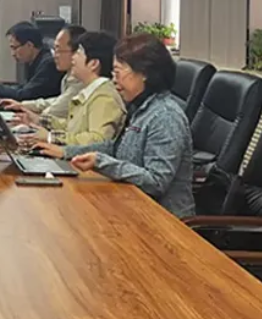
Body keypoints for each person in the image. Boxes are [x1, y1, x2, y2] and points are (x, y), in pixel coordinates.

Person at [33, 33, 194, 218]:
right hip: (131, 205)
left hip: (163, 219)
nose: (114, 80)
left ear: (144, 74)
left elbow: (156, 181)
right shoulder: (140, 108)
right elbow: (116, 148)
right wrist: (66, 152)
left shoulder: (165, 116)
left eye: (118, 72)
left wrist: (101, 162)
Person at [21, 31, 126, 146]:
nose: (73, 57)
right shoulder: (90, 91)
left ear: (93, 64)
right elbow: (72, 126)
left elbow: (97, 140)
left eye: (78, 53)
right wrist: (39, 120)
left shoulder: (104, 97)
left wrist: (51, 138)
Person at [1, 25, 86, 120]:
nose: (55, 56)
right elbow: (57, 101)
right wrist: (22, 105)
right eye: (55, 50)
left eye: (59, 50)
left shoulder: (81, 81)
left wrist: (33, 117)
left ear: (78, 52)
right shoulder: (68, 77)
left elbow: (56, 111)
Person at [0, 21, 62, 101]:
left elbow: (25, 95)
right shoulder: (35, 60)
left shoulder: (49, 64)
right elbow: (24, 87)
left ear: (29, 45)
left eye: (14, 48)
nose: (12, 54)